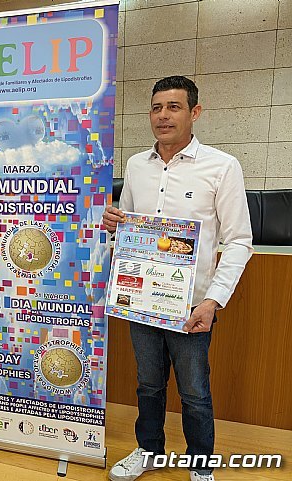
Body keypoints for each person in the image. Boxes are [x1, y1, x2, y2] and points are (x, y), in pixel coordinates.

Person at [103, 76, 253, 481]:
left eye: (173, 107)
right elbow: (126, 234)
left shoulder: (222, 166)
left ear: (194, 113)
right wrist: (112, 224)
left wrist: (213, 301)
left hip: (193, 307)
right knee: (148, 385)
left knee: (194, 393)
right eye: (156, 108)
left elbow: (240, 241)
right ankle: (148, 449)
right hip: (143, 300)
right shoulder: (136, 166)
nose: (163, 116)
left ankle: (200, 464)